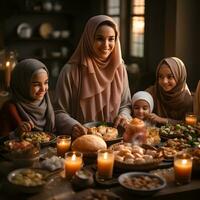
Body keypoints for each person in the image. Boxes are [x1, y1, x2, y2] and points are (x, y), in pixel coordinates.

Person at [53, 15, 132, 139]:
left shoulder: (119, 68)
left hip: (115, 142)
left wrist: (124, 116)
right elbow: (58, 111)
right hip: (81, 142)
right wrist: (73, 126)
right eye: (99, 38)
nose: (106, 45)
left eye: (111, 39)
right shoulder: (71, 71)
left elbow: (125, 105)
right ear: (89, 39)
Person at [0, 58, 55, 136]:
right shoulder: (9, 108)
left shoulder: (46, 103)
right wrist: (16, 133)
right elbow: (2, 141)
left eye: (46, 83)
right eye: (36, 84)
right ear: (22, 85)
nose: (43, 89)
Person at [146, 57, 193, 124]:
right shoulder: (153, 92)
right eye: (161, 76)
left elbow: (188, 125)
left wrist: (164, 120)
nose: (164, 81)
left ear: (179, 77)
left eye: (170, 76)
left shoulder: (187, 100)